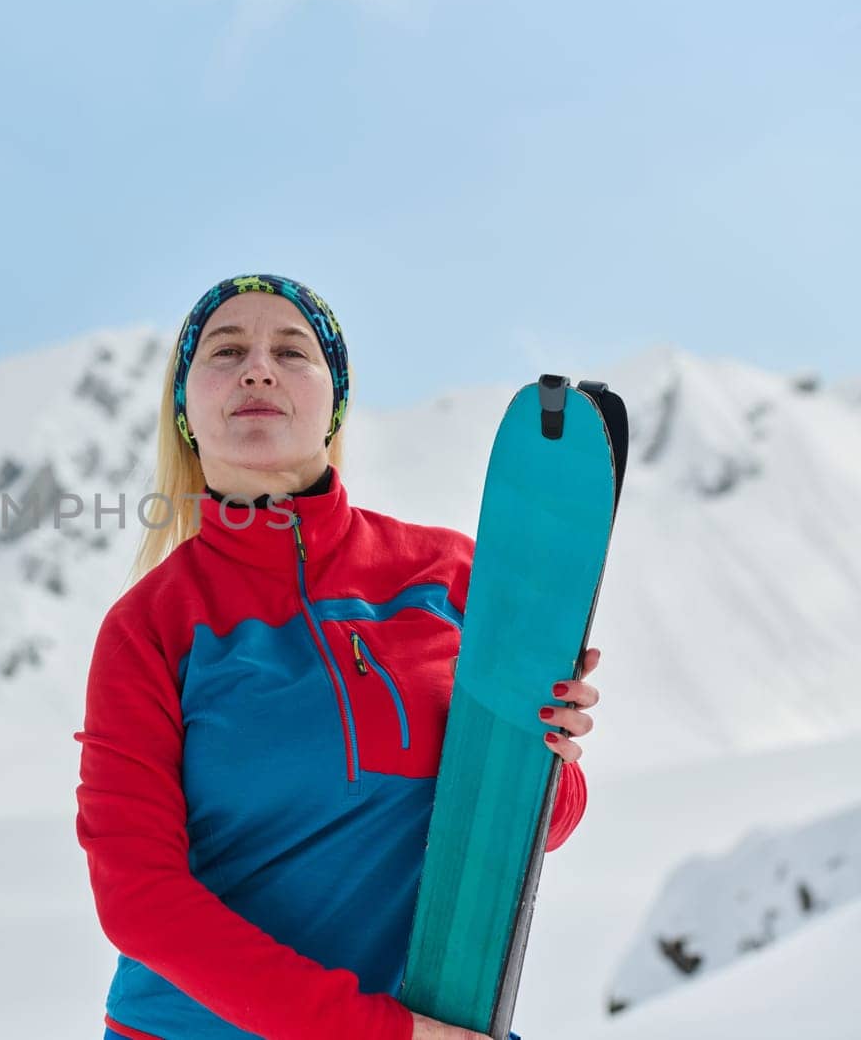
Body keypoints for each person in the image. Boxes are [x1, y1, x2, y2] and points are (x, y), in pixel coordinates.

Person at [72, 273, 601, 1040]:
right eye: (227, 350)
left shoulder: (452, 576)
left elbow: (528, 826)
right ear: (184, 411)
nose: (259, 367)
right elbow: (139, 898)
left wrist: (545, 750)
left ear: (335, 401)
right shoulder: (151, 628)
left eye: (292, 350)